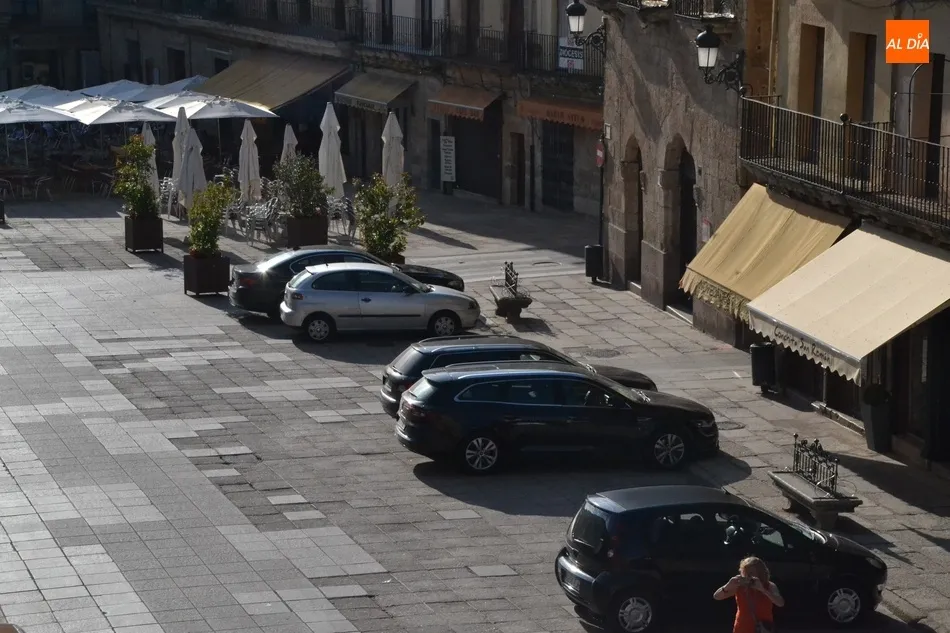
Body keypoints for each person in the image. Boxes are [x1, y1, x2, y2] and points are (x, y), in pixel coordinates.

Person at [713, 556, 784, 633]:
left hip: (763, 629)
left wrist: (763, 590)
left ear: (760, 573)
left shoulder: (770, 586)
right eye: (745, 573)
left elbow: (780, 603)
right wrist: (728, 585)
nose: (748, 576)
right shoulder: (739, 587)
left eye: (751, 573)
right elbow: (717, 596)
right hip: (742, 628)